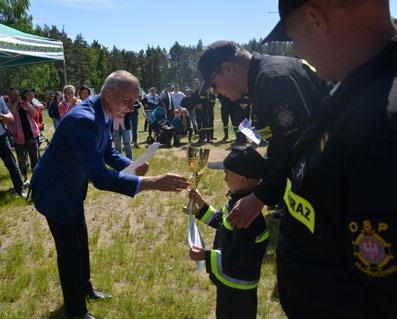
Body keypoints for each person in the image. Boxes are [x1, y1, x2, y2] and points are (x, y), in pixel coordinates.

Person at [232, 0, 397, 318]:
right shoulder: (357, 86)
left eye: (293, 38)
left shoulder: (382, 123)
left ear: (316, 19)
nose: (298, 52)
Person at [30, 70, 189, 319]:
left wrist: (131, 163)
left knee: (81, 243)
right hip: (54, 192)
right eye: (127, 101)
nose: (131, 107)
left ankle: (85, 288)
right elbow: (100, 178)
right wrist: (153, 182)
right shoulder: (84, 119)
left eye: (134, 102)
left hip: (71, 189)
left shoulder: (103, 111)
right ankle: (76, 311)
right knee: (70, 252)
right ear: (109, 93)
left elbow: (106, 150)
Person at [198, 40, 330, 216]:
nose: (214, 92)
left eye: (213, 85)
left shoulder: (273, 80)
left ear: (228, 68)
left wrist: (259, 198)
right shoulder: (260, 81)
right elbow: (280, 145)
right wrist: (255, 184)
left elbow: (298, 149)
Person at [188, 147, 269, 319]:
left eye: (227, 174)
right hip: (228, 285)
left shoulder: (247, 218)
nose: (224, 177)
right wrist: (202, 205)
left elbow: (238, 258)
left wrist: (205, 256)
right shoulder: (238, 204)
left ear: (243, 180)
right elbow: (222, 223)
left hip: (238, 293)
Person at [7, 88, 40, 185]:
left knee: (34, 157)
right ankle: (26, 178)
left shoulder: (24, 104)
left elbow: (33, 113)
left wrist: (25, 102)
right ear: (9, 96)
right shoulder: (8, 107)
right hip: (18, 139)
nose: (16, 96)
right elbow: (11, 117)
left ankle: (36, 176)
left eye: (17, 94)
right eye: (13, 95)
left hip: (31, 135)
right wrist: (16, 103)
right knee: (22, 160)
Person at [0, 94, 25, 197]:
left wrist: (1, 115)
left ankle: (20, 190)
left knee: (12, 165)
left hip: (1, 137)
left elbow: (10, 118)